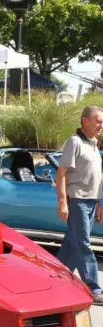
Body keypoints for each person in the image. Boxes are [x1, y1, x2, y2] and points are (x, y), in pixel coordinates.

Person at [56, 106, 103, 305]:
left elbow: (95, 178)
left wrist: (99, 203)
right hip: (77, 200)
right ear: (85, 121)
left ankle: (55, 280)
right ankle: (94, 288)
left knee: (72, 243)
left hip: (91, 201)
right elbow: (61, 173)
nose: (101, 125)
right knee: (83, 243)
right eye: (98, 121)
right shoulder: (74, 142)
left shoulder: (93, 144)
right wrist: (62, 201)